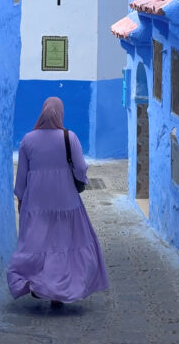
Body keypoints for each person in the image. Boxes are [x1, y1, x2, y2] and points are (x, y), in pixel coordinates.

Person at [7, 96, 109, 305]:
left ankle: (40, 283)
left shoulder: (28, 140)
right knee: (63, 243)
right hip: (66, 202)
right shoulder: (68, 137)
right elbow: (80, 168)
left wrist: (20, 198)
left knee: (37, 243)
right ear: (60, 113)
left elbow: (22, 176)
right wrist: (79, 180)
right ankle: (59, 288)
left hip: (36, 204)